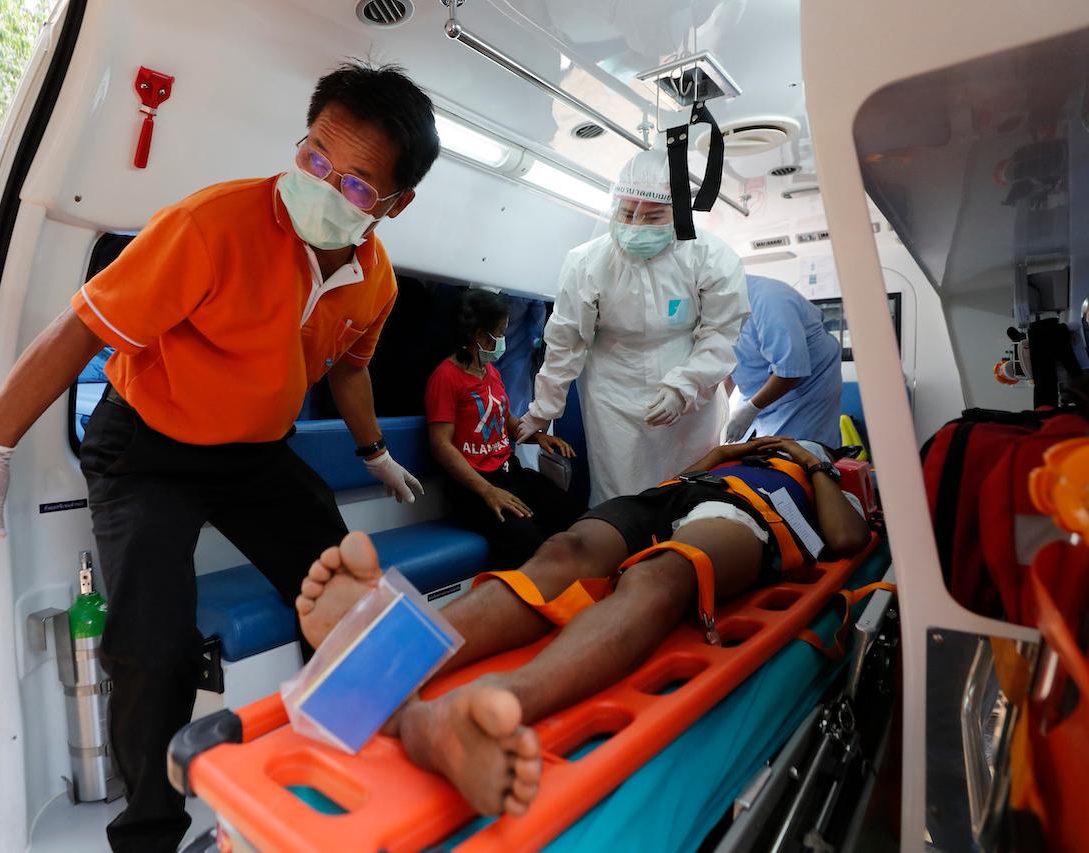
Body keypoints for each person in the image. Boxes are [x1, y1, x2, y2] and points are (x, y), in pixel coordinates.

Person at [0, 62, 440, 852]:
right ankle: (150, 835)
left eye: (356, 184)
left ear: (397, 204)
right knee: (154, 644)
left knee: (351, 589)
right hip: (146, 447)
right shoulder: (211, 225)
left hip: (254, 455)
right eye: (315, 158)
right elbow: (82, 327)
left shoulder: (375, 281)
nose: (324, 184)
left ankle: (355, 760)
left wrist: (374, 451)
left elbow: (351, 365)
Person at [295, 436, 870, 816]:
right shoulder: (736, 454)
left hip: (744, 516)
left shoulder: (817, 477)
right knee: (562, 552)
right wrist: (727, 450)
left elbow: (847, 539)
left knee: (662, 576)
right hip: (668, 498)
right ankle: (380, 655)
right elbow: (684, 474)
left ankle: (481, 710)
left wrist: (808, 457)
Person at [517, 148, 749, 505]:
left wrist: (683, 388)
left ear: (679, 213)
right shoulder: (587, 261)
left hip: (689, 386)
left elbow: (720, 335)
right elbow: (566, 341)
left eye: (653, 216)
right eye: (627, 213)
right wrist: (543, 410)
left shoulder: (713, 258)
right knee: (619, 490)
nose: (637, 225)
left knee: (688, 489)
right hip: (612, 388)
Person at [425, 289, 586, 567]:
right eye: (500, 333)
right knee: (529, 542)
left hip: (509, 474)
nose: (503, 341)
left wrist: (537, 437)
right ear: (480, 336)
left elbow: (504, 420)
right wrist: (488, 491)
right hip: (475, 488)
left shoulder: (490, 372)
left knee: (573, 515)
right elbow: (441, 445)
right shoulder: (445, 378)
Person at [725, 275, 843, 445]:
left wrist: (750, 410)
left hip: (804, 392)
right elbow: (726, 368)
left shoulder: (769, 299)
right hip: (756, 394)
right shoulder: (719, 309)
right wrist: (717, 409)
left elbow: (790, 370)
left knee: (796, 456)